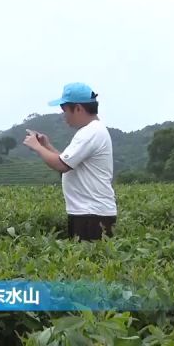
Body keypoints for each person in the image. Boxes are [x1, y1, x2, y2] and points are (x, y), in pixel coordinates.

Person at [23, 82, 117, 241]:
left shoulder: (90, 133)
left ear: (78, 108)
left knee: (89, 262)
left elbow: (61, 165)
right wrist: (46, 145)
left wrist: (37, 147)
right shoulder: (93, 131)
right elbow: (67, 162)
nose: (63, 115)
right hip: (89, 213)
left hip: (91, 215)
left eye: (64, 110)